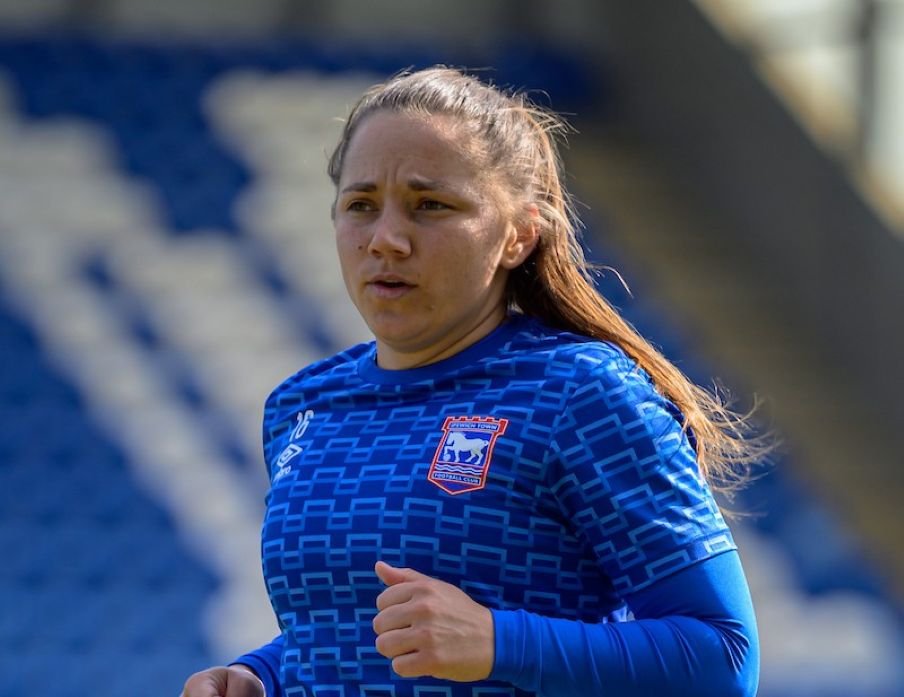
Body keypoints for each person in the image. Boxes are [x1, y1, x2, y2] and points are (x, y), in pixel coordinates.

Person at [182, 66, 764, 697]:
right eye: (360, 206)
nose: (386, 240)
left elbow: (724, 659)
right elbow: (345, 626)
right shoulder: (303, 406)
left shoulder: (580, 392)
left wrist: (498, 643)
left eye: (430, 205)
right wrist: (260, 676)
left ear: (518, 234)